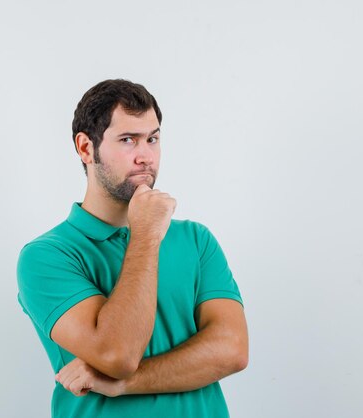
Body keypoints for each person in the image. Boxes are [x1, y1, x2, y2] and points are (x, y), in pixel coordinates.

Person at [16, 79, 248, 418]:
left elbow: (232, 350)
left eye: (152, 139)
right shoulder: (47, 256)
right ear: (85, 148)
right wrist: (147, 234)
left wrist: (126, 383)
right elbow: (117, 355)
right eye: (128, 140)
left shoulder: (196, 240)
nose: (145, 156)